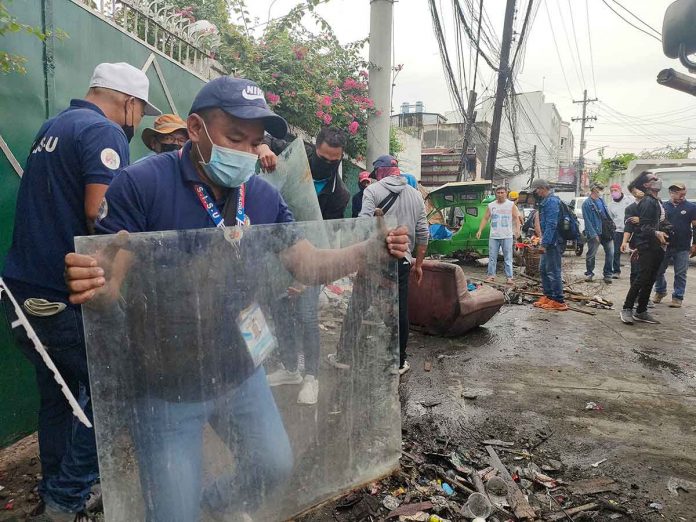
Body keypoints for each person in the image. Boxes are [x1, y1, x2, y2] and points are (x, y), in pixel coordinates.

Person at [63, 77, 409, 521]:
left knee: (273, 465)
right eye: (234, 139)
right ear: (194, 129)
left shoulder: (263, 197)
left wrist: (368, 251)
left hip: (239, 370)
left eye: (254, 142)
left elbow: (306, 264)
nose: (246, 153)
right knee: (171, 515)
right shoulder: (141, 184)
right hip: (166, 383)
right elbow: (111, 285)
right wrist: (94, 286)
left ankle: (215, 505)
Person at [0, 62, 159, 522]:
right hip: (69, 291)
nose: (136, 122)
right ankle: (67, 499)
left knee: (60, 394)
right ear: (127, 103)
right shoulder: (103, 132)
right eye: (138, 112)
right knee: (118, 390)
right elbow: (102, 217)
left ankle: (56, 485)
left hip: (23, 286)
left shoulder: (53, 127)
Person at [254, 127, 350, 404]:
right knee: (280, 311)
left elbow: (326, 238)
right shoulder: (295, 156)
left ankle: (311, 377)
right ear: (314, 148)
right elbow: (264, 136)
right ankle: (290, 368)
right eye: (323, 157)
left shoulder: (338, 194)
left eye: (335, 161)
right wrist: (262, 148)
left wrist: (304, 278)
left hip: (310, 258)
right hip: (277, 253)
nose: (329, 164)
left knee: (307, 316)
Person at [356, 155, 428, 374]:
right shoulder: (416, 196)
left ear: (380, 172)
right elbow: (424, 232)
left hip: (374, 260)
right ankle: (399, 361)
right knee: (399, 309)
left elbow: (363, 225)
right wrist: (419, 264)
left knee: (358, 306)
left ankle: (345, 354)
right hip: (402, 261)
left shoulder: (372, 191)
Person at [257, 126, 350, 219]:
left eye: (333, 162)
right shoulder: (299, 153)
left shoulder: (340, 195)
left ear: (341, 157)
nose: (327, 164)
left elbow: (326, 229)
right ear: (315, 148)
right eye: (323, 159)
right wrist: (264, 148)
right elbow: (267, 139)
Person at [619, 171, 668, 324]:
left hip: (658, 246)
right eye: (653, 178)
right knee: (641, 278)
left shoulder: (657, 201)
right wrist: (656, 232)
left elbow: (661, 222)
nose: (658, 179)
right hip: (646, 246)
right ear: (647, 185)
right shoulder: (647, 202)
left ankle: (641, 310)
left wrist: (667, 230)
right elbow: (644, 227)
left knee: (650, 279)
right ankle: (627, 308)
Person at [653, 183, 696, 307]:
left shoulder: (691, 207)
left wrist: (694, 244)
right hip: (664, 244)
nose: (682, 197)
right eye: (679, 194)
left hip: (682, 245)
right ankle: (660, 291)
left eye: (684, 194)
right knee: (658, 270)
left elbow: (695, 226)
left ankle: (678, 297)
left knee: (680, 272)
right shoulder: (663, 206)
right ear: (671, 193)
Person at [530, 179, 568, 311]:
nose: (536, 192)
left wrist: (544, 244)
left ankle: (559, 300)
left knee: (553, 271)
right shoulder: (546, 201)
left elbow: (552, 224)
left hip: (554, 242)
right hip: (548, 240)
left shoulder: (552, 201)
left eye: (536, 190)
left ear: (541, 188)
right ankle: (549, 296)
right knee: (543, 269)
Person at [476, 185, 521, 284]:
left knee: (508, 257)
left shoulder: (511, 205)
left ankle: (509, 277)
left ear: (506, 193)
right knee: (492, 257)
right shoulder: (491, 205)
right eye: (498, 193)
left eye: (502, 192)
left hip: (507, 235)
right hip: (494, 236)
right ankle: (491, 275)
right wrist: (480, 230)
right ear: (495, 194)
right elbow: (485, 218)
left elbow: (516, 218)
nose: (500, 194)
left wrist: (518, 230)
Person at [582, 184, 615, 284]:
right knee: (591, 254)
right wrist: (593, 234)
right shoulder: (587, 204)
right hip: (595, 232)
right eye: (600, 189)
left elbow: (607, 215)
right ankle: (589, 273)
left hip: (606, 231)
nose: (601, 191)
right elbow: (587, 220)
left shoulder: (601, 200)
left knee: (611, 253)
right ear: (594, 190)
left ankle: (608, 274)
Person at [607, 183, 634, 279]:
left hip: (631, 230)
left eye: (615, 190)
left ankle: (635, 271)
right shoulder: (610, 205)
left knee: (634, 250)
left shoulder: (630, 200)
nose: (614, 193)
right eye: (612, 191)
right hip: (618, 230)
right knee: (616, 252)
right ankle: (616, 271)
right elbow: (611, 218)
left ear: (620, 190)